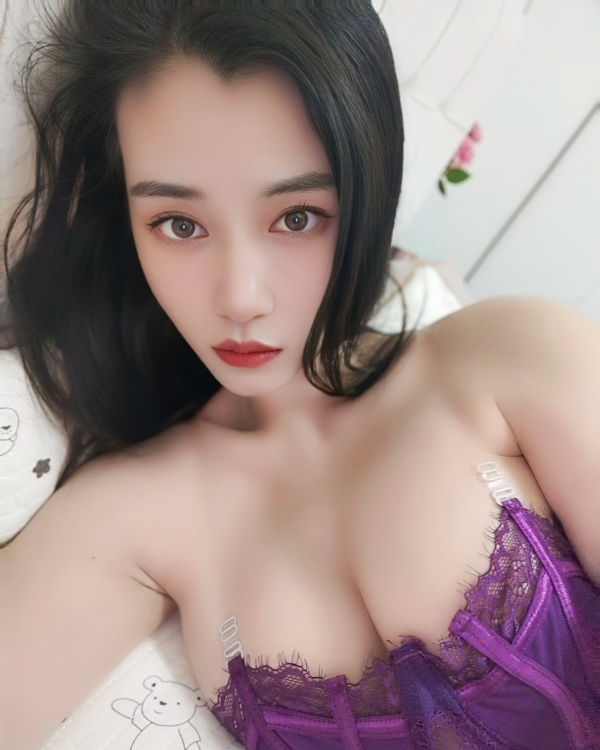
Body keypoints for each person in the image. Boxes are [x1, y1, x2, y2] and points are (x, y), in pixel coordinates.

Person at [1, 2, 599, 749]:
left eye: (296, 216)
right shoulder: (130, 513)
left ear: (365, 190)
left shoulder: (509, 355)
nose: (241, 297)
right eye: (179, 224)